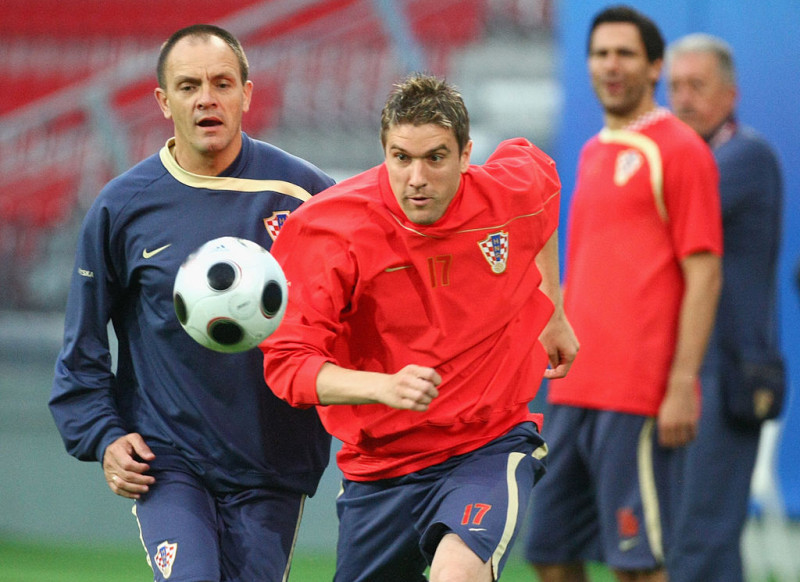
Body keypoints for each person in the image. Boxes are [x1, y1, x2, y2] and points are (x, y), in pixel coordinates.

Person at [259, 73, 579, 582]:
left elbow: (543, 191)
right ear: (383, 151)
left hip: (488, 443)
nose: (416, 177)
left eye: (435, 157)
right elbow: (287, 366)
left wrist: (553, 308)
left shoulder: (506, 192)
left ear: (466, 154)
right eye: (401, 157)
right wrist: (382, 387)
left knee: (459, 572)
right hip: (380, 469)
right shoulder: (330, 229)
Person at [48, 24, 334, 582]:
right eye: (188, 86)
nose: (207, 97)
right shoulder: (121, 208)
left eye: (222, 83)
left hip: (270, 461)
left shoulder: (307, 196)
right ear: (163, 101)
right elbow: (80, 349)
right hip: (168, 459)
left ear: (247, 94)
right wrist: (104, 435)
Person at [523, 6, 723, 582]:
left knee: (637, 564)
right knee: (550, 552)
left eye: (626, 53)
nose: (611, 65)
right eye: (601, 53)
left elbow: (705, 273)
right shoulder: (592, 150)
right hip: (573, 391)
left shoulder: (680, 149)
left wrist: (683, 382)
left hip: (638, 395)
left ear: (655, 65)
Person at [665, 33, 785, 582]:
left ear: (730, 95)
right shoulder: (693, 158)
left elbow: (663, 212)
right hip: (688, 372)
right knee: (685, 541)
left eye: (697, 86)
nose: (682, 99)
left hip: (726, 375)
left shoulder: (745, 156)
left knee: (700, 544)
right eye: (674, 87)